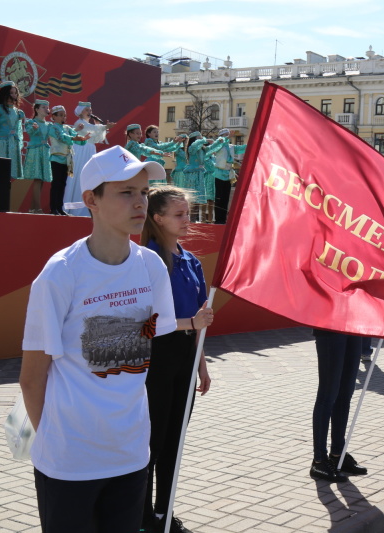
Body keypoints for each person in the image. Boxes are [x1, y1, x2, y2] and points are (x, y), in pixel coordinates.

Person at [19, 145, 178, 533]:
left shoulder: (151, 266)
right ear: (91, 200)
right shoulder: (61, 274)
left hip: (130, 455)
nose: (140, 202)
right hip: (69, 462)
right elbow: (31, 376)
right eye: (126, 192)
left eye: (143, 192)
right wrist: (59, 440)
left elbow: (147, 349)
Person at [140, 186, 214, 533]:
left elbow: (201, 317)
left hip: (185, 355)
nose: (188, 220)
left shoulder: (191, 261)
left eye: (188, 213)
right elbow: (142, 324)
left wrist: (201, 363)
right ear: (158, 219)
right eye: (179, 214)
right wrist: (190, 324)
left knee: (175, 441)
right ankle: (143, 517)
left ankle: (165, 512)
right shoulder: (147, 260)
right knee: (152, 441)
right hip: (157, 356)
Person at [310, 331, 369, 482]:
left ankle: (338, 455)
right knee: (327, 394)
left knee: (345, 394)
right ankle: (319, 461)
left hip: (353, 327)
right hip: (330, 328)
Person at [64, 102, 115, 216]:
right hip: (80, 150)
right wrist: (104, 127)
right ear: (81, 112)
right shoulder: (80, 123)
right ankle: (72, 208)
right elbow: (92, 129)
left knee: (88, 177)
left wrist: (101, 128)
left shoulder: (90, 125)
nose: (90, 112)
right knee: (78, 176)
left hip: (90, 150)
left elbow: (97, 138)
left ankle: (84, 208)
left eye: (90, 109)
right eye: (87, 110)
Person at [48, 105, 90, 215]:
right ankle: (53, 208)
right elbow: (62, 137)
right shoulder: (53, 128)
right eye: (61, 115)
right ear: (54, 117)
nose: (63, 118)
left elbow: (75, 136)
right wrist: (74, 138)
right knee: (56, 183)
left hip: (66, 160)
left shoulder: (67, 128)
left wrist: (83, 139)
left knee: (62, 184)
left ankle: (60, 208)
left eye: (64, 115)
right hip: (56, 158)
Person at [22, 100, 54, 213]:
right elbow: (30, 133)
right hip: (35, 151)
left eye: (47, 107)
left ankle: (32, 208)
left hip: (44, 151)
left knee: (41, 180)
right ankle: (38, 208)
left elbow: (59, 133)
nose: (46, 109)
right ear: (36, 109)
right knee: (37, 179)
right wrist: (34, 128)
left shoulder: (49, 124)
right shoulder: (31, 122)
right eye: (43, 107)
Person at [213, 129, 246, 224]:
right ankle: (218, 219)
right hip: (219, 174)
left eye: (228, 135)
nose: (228, 136)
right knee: (218, 198)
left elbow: (242, 148)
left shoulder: (231, 147)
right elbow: (215, 146)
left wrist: (256, 141)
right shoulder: (219, 145)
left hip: (228, 175)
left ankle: (223, 219)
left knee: (225, 198)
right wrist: (226, 138)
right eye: (225, 135)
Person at [0, 80, 26, 183]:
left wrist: (17, 143)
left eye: (15, 93)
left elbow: (19, 130)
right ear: (5, 94)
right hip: (1, 144)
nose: (14, 95)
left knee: (7, 176)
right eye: (11, 93)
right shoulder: (0, 109)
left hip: (12, 145)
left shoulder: (17, 111)